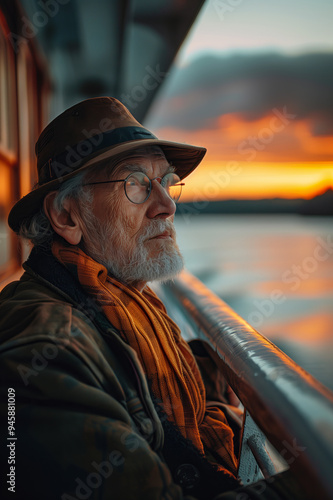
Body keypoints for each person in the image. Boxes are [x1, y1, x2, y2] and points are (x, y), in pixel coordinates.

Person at [0, 97, 301, 500]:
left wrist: (205, 371)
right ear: (67, 217)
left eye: (166, 180)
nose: (167, 205)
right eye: (137, 183)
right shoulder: (50, 352)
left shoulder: (122, 300)